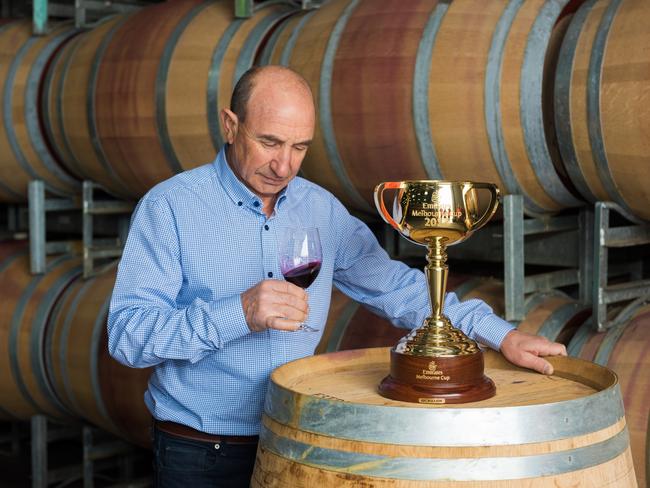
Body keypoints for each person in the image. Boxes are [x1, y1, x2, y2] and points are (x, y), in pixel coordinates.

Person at [108, 65, 567, 488]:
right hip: (202, 450)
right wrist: (240, 313)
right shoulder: (171, 207)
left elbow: (399, 288)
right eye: (269, 142)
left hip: (299, 439)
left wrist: (499, 335)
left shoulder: (321, 209)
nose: (283, 166)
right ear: (230, 126)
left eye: (299, 147)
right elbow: (128, 337)